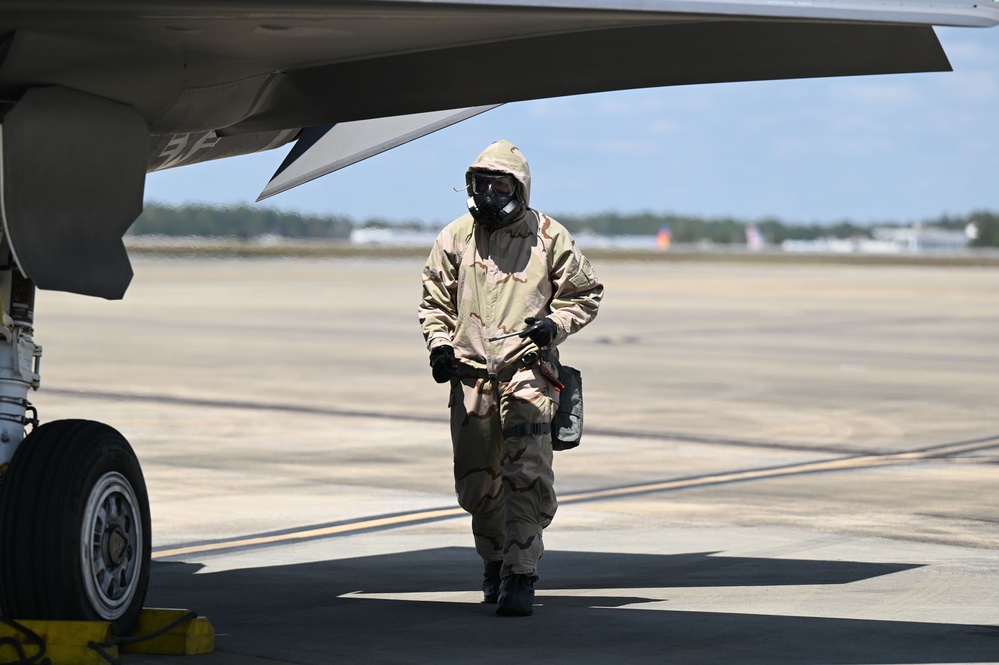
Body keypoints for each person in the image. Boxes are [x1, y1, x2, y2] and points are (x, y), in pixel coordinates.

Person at [418, 140, 603, 616]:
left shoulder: (549, 237)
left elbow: (585, 294)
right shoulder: (455, 237)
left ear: (519, 187)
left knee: (526, 475)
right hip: (471, 377)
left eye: (500, 184)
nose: (490, 193)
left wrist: (554, 326)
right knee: (478, 482)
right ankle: (495, 561)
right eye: (482, 184)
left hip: (527, 373)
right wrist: (439, 347)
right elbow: (433, 302)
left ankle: (521, 574)